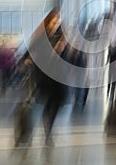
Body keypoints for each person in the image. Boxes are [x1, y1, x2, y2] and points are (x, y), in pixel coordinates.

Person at [20, 8, 69, 146]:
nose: (56, 24)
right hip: (44, 76)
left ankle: (49, 129)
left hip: (58, 76)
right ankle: (48, 133)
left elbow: (67, 59)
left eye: (58, 22)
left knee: (57, 103)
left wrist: (62, 50)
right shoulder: (42, 36)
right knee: (48, 103)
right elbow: (31, 50)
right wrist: (26, 60)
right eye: (54, 21)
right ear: (48, 22)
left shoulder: (62, 37)